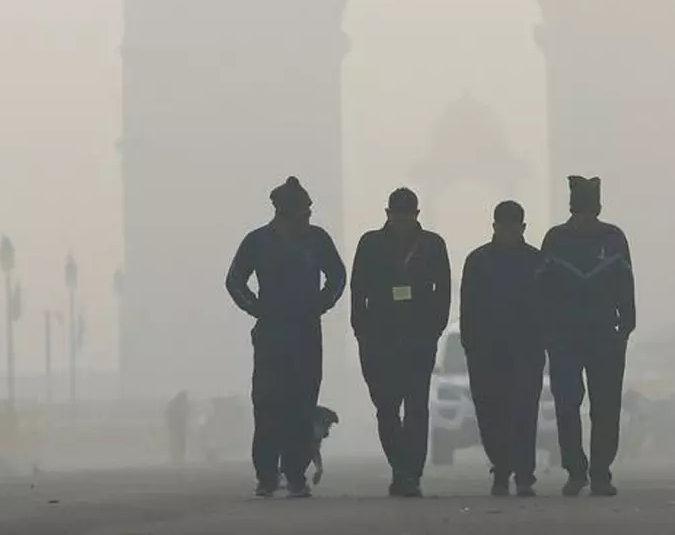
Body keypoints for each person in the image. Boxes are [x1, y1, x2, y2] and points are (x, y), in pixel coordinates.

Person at [226, 176, 347, 498]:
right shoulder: (257, 242)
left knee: (301, 404)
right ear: (284, 212)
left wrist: (320, 304)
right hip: (270, 332)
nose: (308, 217)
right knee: (266, 403)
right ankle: (266, 474)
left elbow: (337, 276)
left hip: (306, 332)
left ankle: (295, 474)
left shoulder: (317, 240)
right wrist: (257, 308)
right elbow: (235, 280)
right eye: (303, 212)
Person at [537, 175, 636, 497]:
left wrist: (627, 323)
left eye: (589, 211)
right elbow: (542, 288)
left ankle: (601, 472)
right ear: (572, 209)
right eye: (581, 211)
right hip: (565, 336)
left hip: (604, 334)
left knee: (605, 406)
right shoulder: (555, 239)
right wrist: (547, 329)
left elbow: (626, 283)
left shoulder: (614, 238)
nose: (585, 218)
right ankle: (575, 471)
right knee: (567, 404)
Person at [350, 187, 451, 497]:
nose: (402, 221)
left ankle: (411, 473)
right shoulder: (370, 243)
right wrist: (360, 329)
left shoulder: (432, 245)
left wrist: (435, 327)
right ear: (388, 214)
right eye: (397, 215)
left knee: (417, 406)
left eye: (407, 215)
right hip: (379, 338)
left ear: (416, 215)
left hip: (419, 337)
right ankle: (400, 465)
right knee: (387, 407)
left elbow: (443, 289)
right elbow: (358, 289)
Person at [460, 200, 546, 497]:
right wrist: (469, 344)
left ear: (522, 227)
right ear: (494, 226)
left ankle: (523, 473)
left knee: (523, 412)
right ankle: (502, 466)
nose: (509, 231)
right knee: (490, 412)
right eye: (504, 225)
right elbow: (467, 308)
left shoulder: (537, 261)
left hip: (526, 348)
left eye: (514, 226)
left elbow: (547, 306)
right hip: (486, 349)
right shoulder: (478, 261)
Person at [166, 390, 190, 467]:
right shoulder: (175, 405)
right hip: (177, 428)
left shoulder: (176, 404)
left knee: (179, 444)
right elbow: (170, 416)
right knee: (178, 444)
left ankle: (178, 459)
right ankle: (177, 460)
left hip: (179, 428)